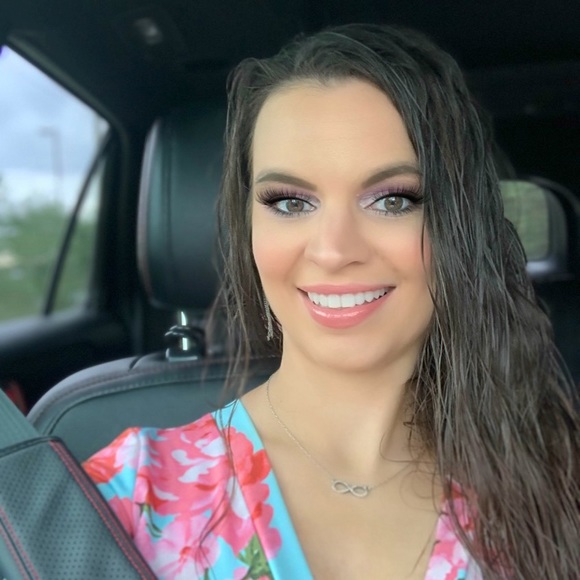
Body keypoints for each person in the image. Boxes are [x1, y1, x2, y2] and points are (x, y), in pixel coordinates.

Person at [83, 24, 580, 579]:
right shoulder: (126, 499)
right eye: (290, 203)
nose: (334, 251)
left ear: (462, 228)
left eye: (393, 200)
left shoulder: (554, 476)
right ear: (248, 228)